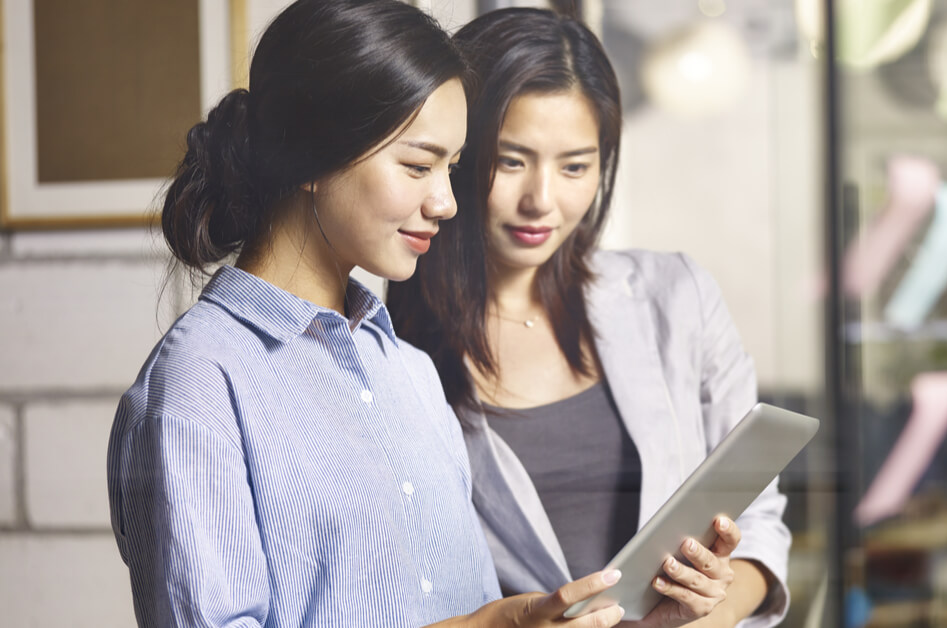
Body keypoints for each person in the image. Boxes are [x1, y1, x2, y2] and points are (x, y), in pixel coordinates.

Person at [107, 1, 627, 626]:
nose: (445, 202)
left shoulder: (406, 370)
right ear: (309, 153)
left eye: (452, 170)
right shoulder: (201, 384)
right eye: (416, 165)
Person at [388, 8, 790, 628]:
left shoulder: (675, 296)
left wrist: (704, 614)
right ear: (457, 156)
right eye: (512, 160)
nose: (542, 200)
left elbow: (759, 523)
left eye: (575, 166)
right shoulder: (387, 350)